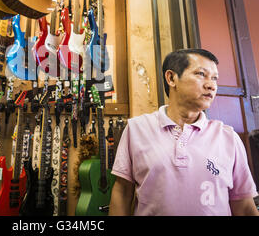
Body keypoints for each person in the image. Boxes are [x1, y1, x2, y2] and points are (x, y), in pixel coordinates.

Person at [109, 48, 259, 216]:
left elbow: (244, 205)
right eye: (201, 74)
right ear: (172, 78)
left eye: (215, 78)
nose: (211, 85)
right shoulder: (136, 129)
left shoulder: (228, 137)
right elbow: (122, 193)